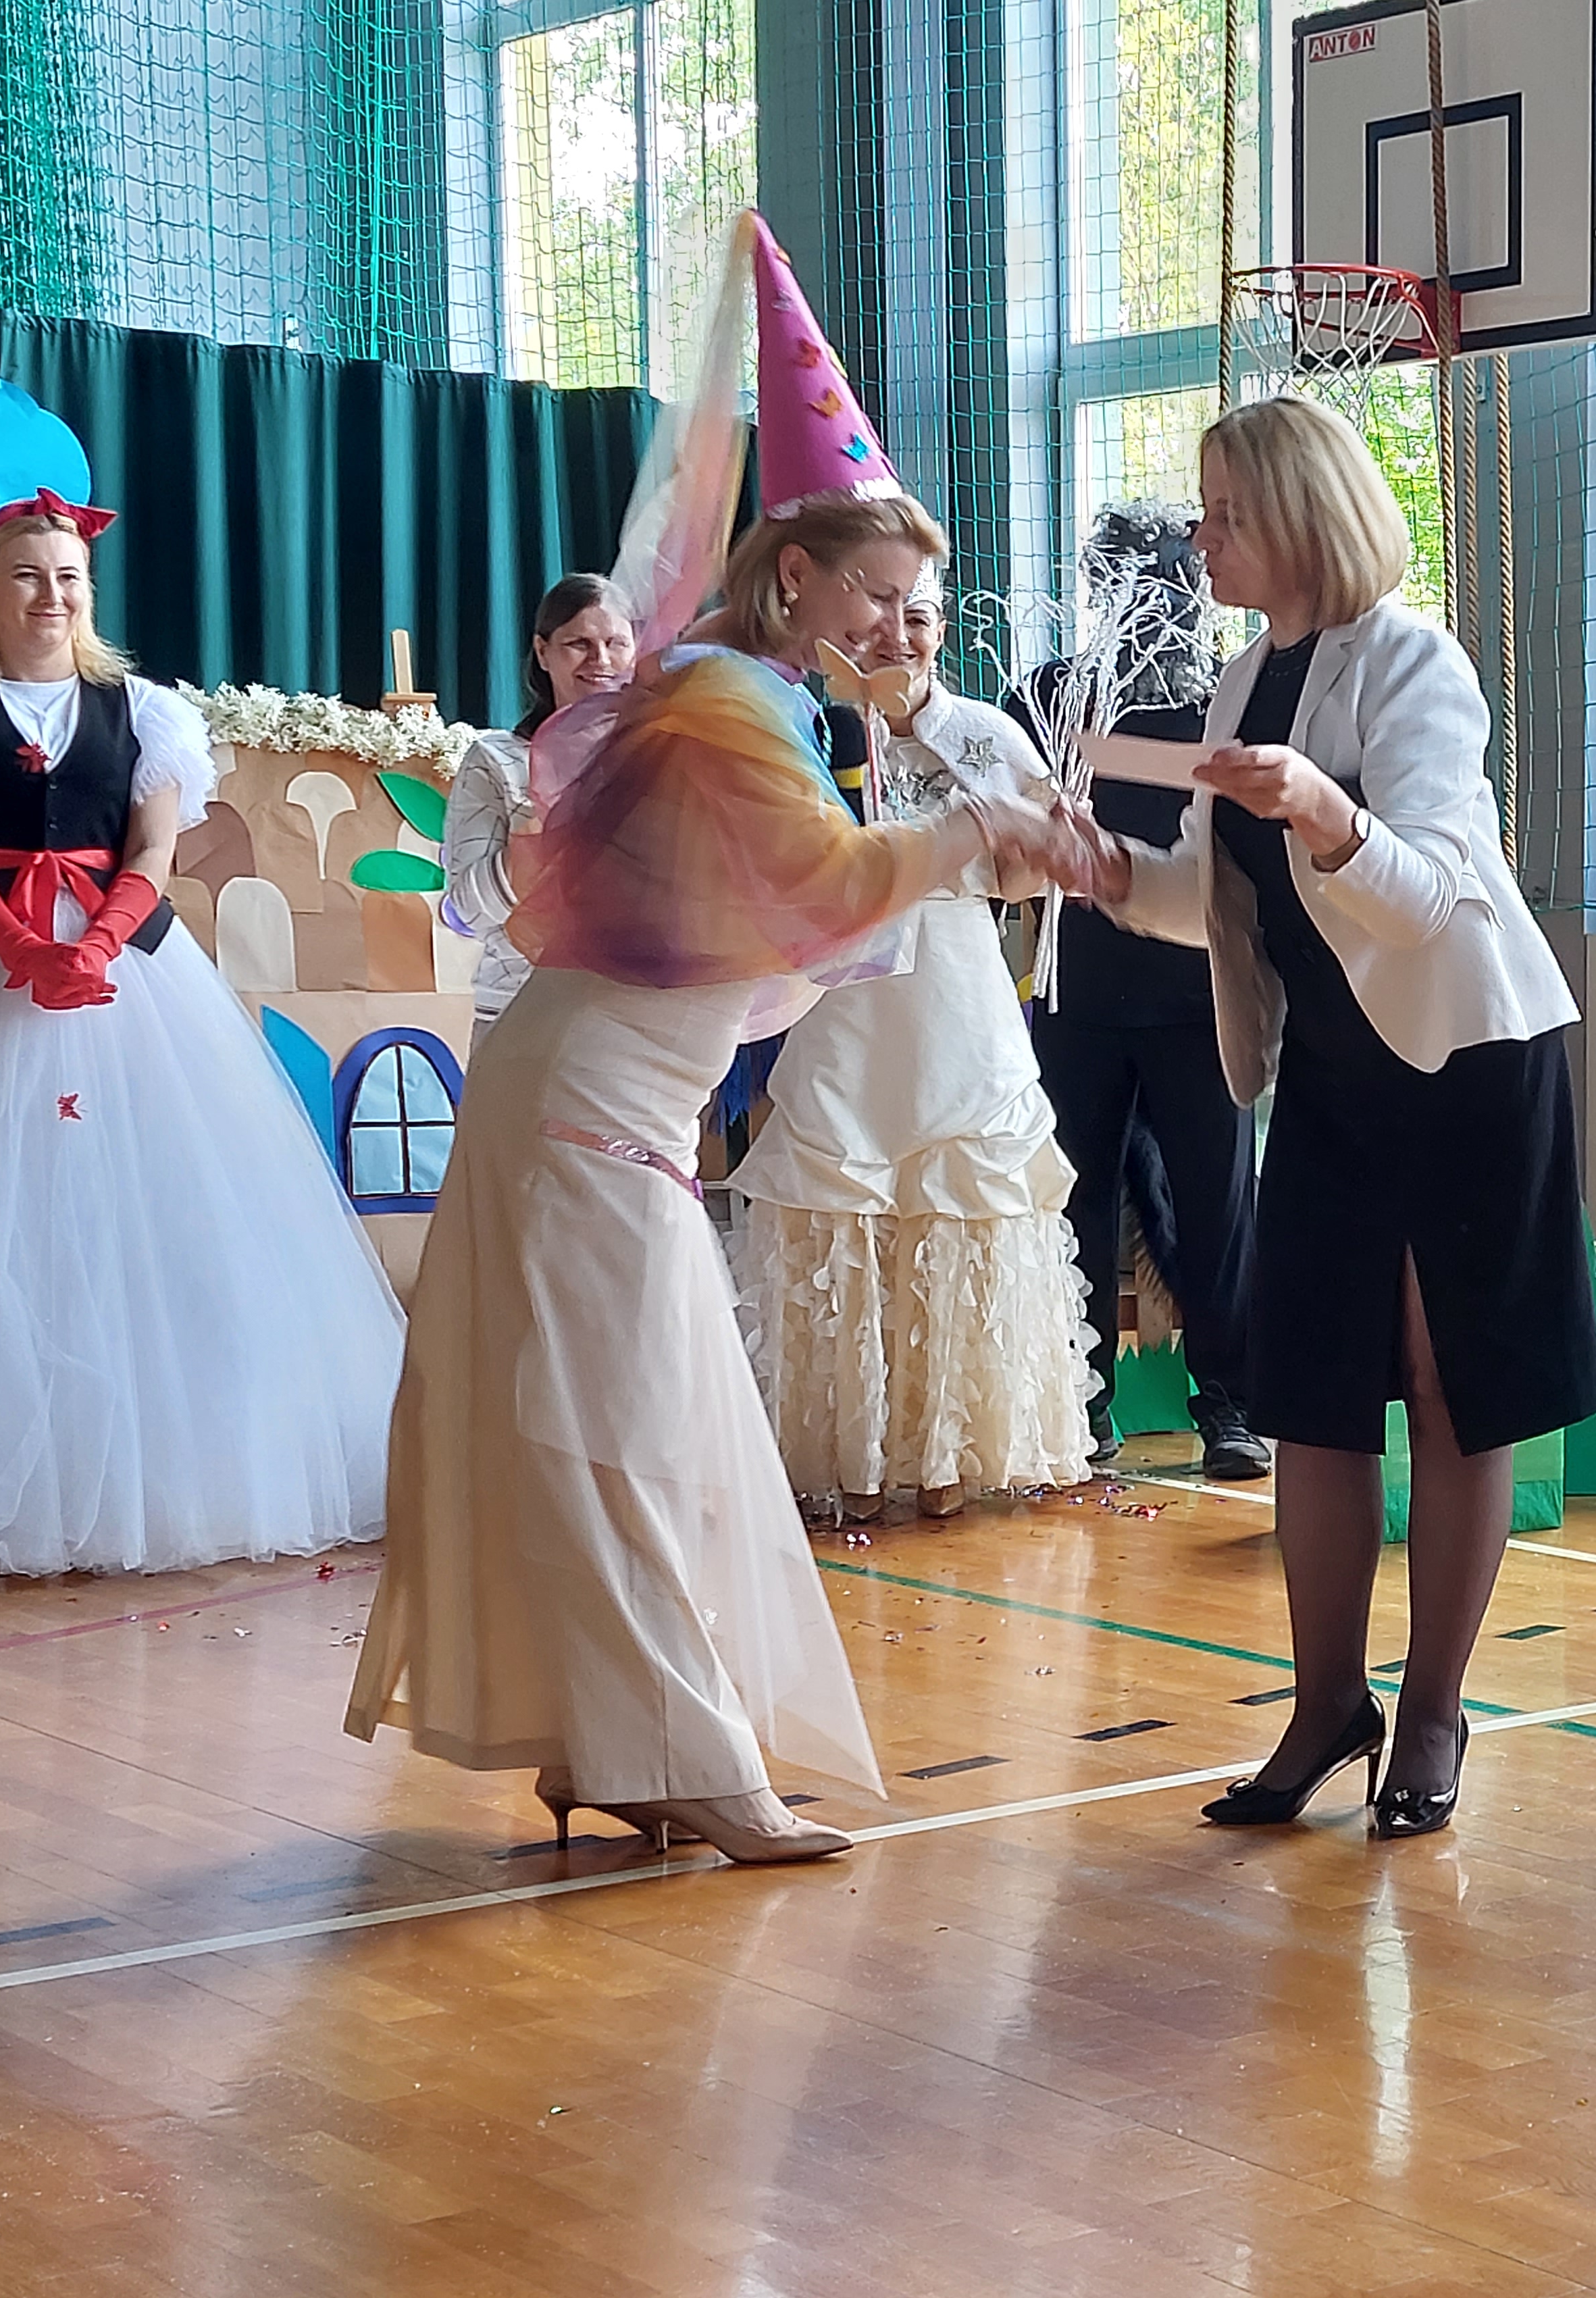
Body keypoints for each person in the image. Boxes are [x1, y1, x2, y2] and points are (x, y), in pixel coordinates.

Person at [344, 213, 1093, 1866]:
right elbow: (824, 890)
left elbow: (793, 925)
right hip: (588, 1112)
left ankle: (611, 1742)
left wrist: (971, 829)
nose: (898, 623)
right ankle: (683, 1760)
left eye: (918, 602)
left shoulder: (744, 697)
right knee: (619, 1438)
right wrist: (984, 834)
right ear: (794, 576)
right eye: (877, 594)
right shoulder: (716, 700)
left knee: (642, 1433)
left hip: (606, 1104)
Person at [1077, 397, 1596, 1839]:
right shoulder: (1242, 678)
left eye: (1225, 512)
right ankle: (1324, 1707)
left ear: (1301, 516)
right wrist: (1103, 871)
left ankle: (1430, 1713)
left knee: (1446, 1387)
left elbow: (1427, 895)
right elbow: (1215, 905)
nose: (1200, 538)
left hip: (1463, 1061)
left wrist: (1323, 809)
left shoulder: (1415, 662)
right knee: (1311, 1393)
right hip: (1328, 1070)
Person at [0, 489, 405, 1574]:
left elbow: (153, 851)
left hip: (125, 971)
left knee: (147, 1199)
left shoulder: (143, 712)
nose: (52, 595)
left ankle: (158, 1468)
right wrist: (25, 949)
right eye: (30, 575)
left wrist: (99, 944)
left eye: (69, 577)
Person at [729, 561, 1100, 1520]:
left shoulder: (986, 733)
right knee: (842, 1184)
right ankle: (850, 1456)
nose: (899, 635)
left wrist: (1043, 841)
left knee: (961, 1191)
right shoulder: (806, 727)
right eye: (879, 615)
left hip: (956, 981)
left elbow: (1024, 882)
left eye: (921, 617)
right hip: (848, 987)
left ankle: (949, 1455)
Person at [1021, 499, 1266, 1480]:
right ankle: (1083, 1401)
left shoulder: (1230, 697)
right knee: (1073, 1200)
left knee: (1218, 1206)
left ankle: (1232, 1404)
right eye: (1118, 577)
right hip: (1078, 993)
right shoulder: (1052, 693)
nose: (1145, 595)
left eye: (1165, 574)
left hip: (1200, 994)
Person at [442, 573, 636, 1041]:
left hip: (636, 1019)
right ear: (543, 651)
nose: (601, 660)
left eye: (616, 643)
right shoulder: (496, 760)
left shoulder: (659, 756)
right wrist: (531, 847)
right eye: (579, 644)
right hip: (520, 1013)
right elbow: (466, 911)